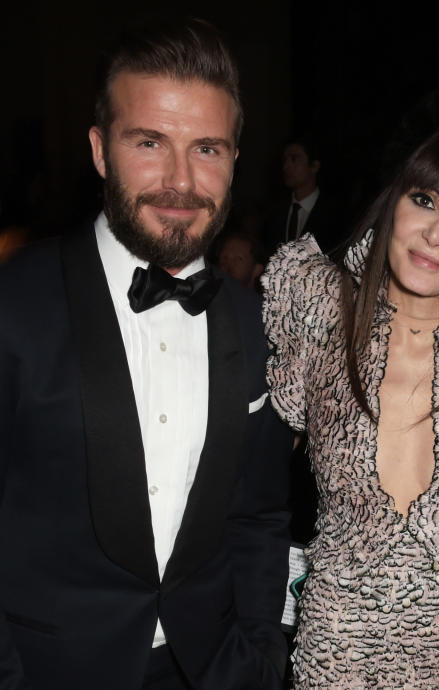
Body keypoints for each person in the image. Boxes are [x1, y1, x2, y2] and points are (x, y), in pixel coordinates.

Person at [0, 18, 292, 690]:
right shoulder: (14, 306)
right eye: (150, 142)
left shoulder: (259, 322)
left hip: (212, 669)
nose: (181, 181)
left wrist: (258, 654)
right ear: (101, 151)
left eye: (208, 149)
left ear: (235, 159)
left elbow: (260, 516)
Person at [262, 123, 439, 688]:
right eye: (425, 200)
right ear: (395, 202)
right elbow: (250, 476)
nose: (436, 235)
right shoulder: (317, 304)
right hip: (335, 653)